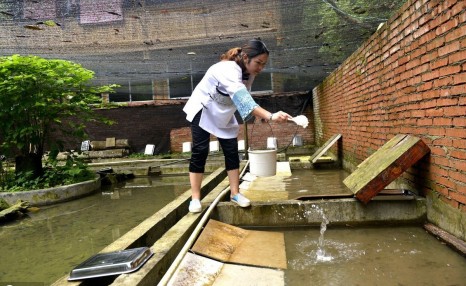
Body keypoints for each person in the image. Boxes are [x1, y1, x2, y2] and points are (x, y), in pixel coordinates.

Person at [183, 39, 292, 213]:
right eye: (258, 63)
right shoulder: (226, 68)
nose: (261, 68)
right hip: (203, 109)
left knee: (232, 150)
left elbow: (244, 100)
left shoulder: (249, 73)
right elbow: (242, 97)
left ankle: (235, 193)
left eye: (263, 64)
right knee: (200, 150)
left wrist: (259, 117)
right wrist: (270, 115)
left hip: (224, 113)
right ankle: (195, 198)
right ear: (246, 57)